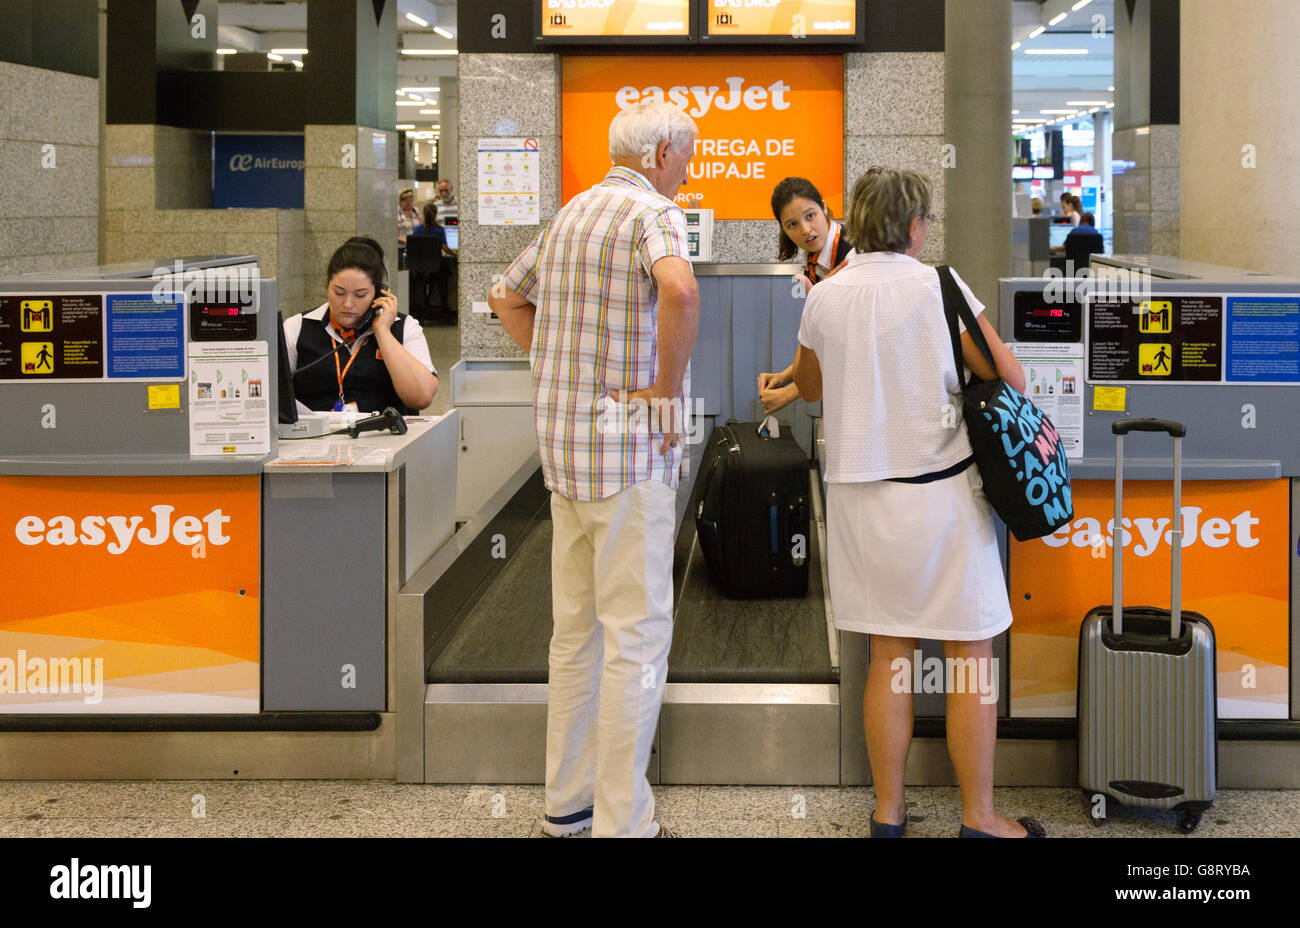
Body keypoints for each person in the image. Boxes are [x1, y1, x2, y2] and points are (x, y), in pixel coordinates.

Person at [792, 166, 1045, 840]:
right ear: (912, 226)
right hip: (942, 499)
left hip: (861, 503)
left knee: (890, 655)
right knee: (969, 653)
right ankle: (980, 818)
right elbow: (1008, 376)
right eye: (925, 220)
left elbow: (811, 386)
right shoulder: (939, 285)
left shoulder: (824, 295)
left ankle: (888, 813)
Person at [489, 101, 699, 839]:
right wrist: (665, 392)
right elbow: (678, 288)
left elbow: (501, 294)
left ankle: (566, 805)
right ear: (663, 151)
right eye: (686, 157)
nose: (687, 171)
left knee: (574, 634)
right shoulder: (653, 214)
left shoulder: (571, 214)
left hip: (564, 456)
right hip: (629, 458)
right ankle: (624, 822)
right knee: (635, 639)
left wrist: (554, 361)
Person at [284, 236, 437, 414]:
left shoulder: (404, 328)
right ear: (327, 286)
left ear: (379, 293)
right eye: (339, 292)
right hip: (313, 438)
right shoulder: (298, 327)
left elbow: (421, 398)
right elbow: (272, 393)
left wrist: (382, 331)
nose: (348, 304)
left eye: (360, 295)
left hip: (386, 438)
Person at [756, 177, 852, 415]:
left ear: (824, 207)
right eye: (792, 225)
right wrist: (786, 376)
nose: (805, 230)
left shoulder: (854, 252)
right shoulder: (813, 258)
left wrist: (789, 392)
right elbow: (825, 338)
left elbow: (850, 342)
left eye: (810, 216)